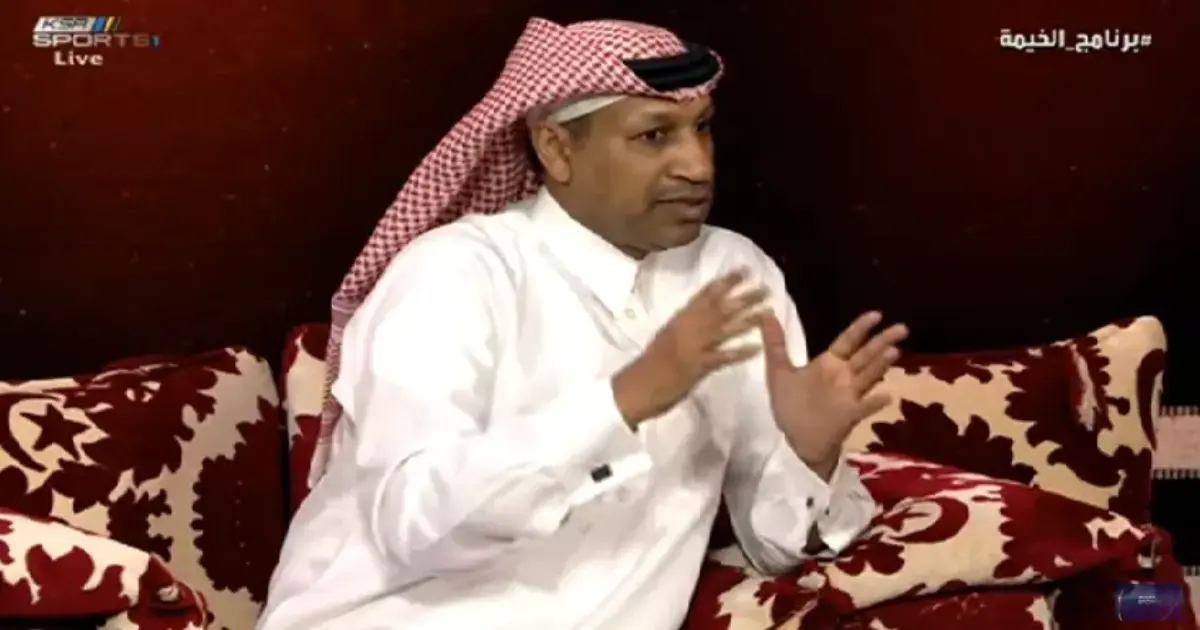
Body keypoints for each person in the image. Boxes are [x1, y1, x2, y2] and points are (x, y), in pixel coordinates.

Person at [258, 17, 907, 630]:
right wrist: (624, 401)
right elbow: (415, 523)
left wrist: (810, 451)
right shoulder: (456, 274)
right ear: (556, 148)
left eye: (702, 128)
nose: (697, 166)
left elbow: (775, 545)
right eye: (654, 136)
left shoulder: (733, 274)